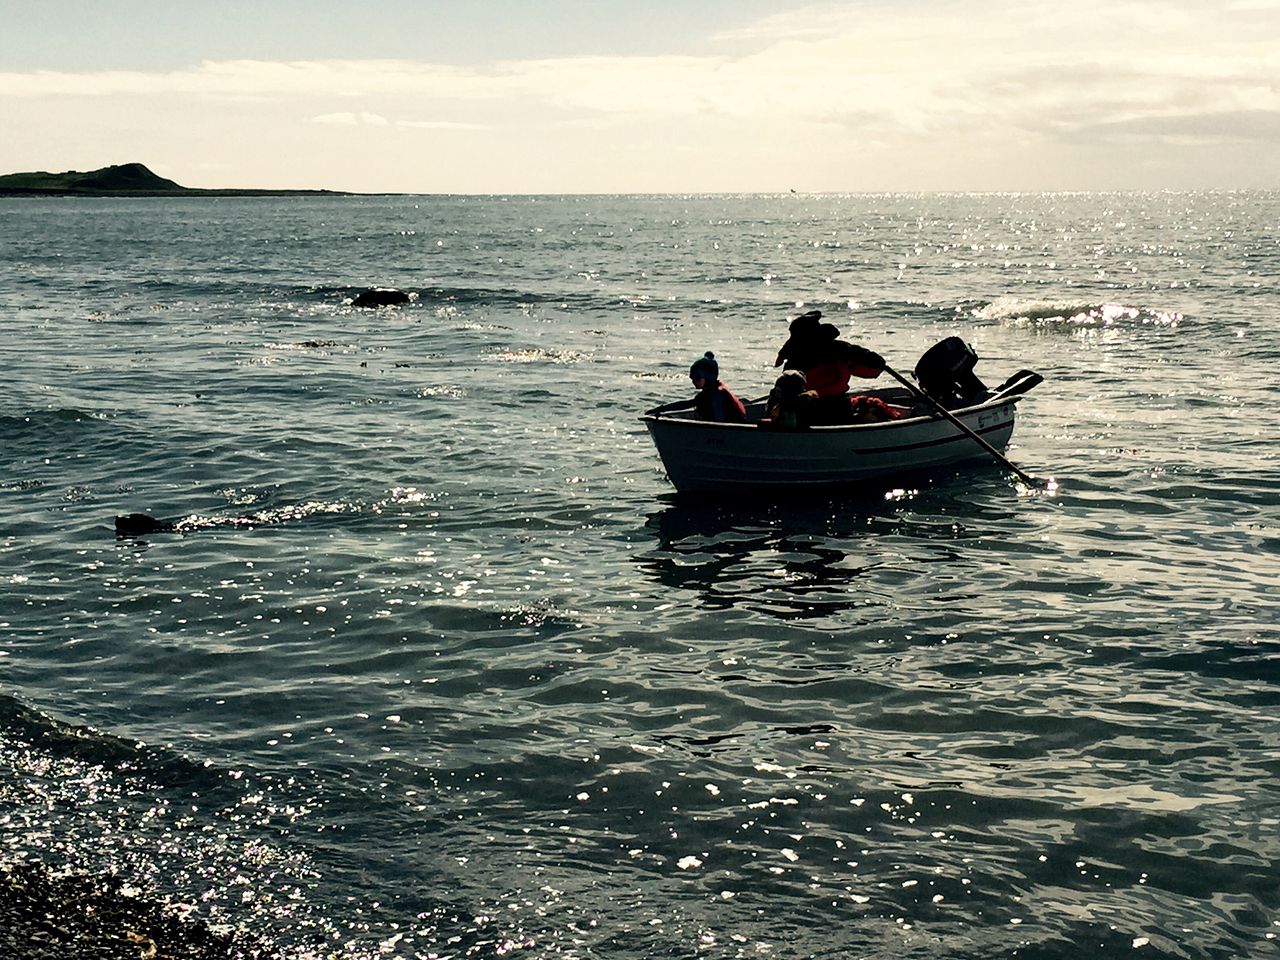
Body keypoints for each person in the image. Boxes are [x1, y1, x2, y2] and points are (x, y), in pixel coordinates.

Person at [775, 311, 886, 425]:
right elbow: (875, 369)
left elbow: (875, 368)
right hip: (835, 410)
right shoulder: (839, 351)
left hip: (807, 414)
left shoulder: (792, 360)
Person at [646, 351, 747, 423]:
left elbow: (720, 423)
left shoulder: (717, 394)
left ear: (708, 377)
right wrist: (661, 409)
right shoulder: (711, 391)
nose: (694, 381)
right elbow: (687, 404)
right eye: (692, 377)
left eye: (697, 377)